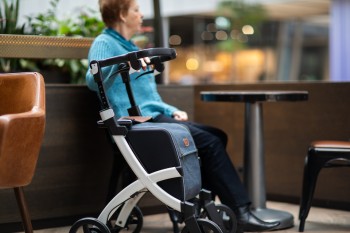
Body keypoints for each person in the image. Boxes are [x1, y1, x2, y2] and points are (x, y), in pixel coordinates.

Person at [86, 0, 280, 232]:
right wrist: (122, 64)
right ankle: (240, 212)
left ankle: (205, 210)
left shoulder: (132, 47)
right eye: (136, 10)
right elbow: (91, 79)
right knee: (210, 142)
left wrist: (170, 110)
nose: (141, 15)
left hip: (154, 117)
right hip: (135, 126)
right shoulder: (104, 43)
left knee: (216, 135)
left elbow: (150, 99)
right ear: (121, 14)